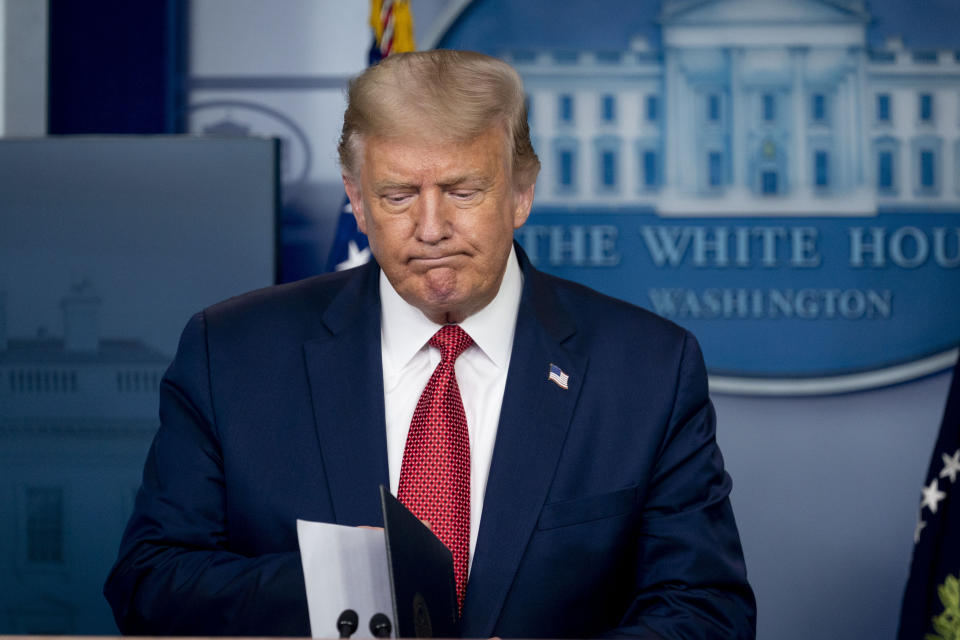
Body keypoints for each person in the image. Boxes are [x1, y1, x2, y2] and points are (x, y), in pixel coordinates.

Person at [104, 49, 756, 638]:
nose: (432, 227)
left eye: (462, 191)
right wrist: (338, 591)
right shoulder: (233, 355)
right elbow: (148, 584)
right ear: (356, 202)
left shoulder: (647, 369)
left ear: (522, 193)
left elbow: (706, 608)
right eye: (397, 195)